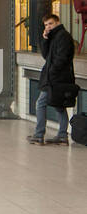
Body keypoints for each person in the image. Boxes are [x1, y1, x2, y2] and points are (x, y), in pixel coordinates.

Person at [29, 12, 78, 145]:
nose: (48, 27)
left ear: (57, 22)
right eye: (46, 25)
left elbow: (61, 58)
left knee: (41, 103)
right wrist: (45, 39)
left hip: (56, 79)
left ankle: (39, 135)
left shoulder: (63, 36)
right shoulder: (54, 36)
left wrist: (52, 72)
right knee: (59, 106)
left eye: (51, 23)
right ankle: (62, 136)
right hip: (54, 77)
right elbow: (46, 56)